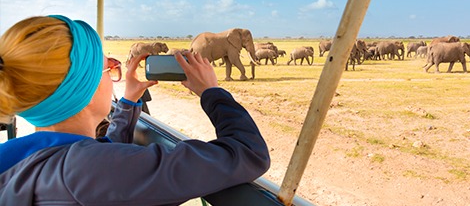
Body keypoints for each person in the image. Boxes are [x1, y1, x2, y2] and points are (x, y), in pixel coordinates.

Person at [0, 15, 270, 205]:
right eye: (108, 68)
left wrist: (128, 102)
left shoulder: (18, 157)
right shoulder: (90, 171)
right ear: (86, 88)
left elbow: (103, 160)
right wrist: (212, 93)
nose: (114, 75)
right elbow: (249, 153)